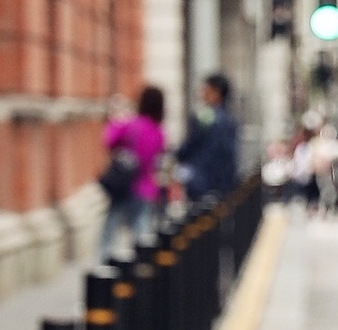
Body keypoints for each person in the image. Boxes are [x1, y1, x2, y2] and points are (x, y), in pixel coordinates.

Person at [98, 82, 166, 254]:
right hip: (146, 188)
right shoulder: (159, 131)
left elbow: (108, 140)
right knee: (140, 232)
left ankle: (104, 264)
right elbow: (158, 160)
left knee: (109, 231)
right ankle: (142, 265)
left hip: (125, 186)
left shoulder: (132, 124)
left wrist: (115, 118)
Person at [177, 70, 241, 200]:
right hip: (224, 184)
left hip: (201, 182)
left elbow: (189, 146)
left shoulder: (205, 117)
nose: (203, 93)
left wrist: (177, 156)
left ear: (216, 92)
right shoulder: (230, 119)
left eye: (206, 89)